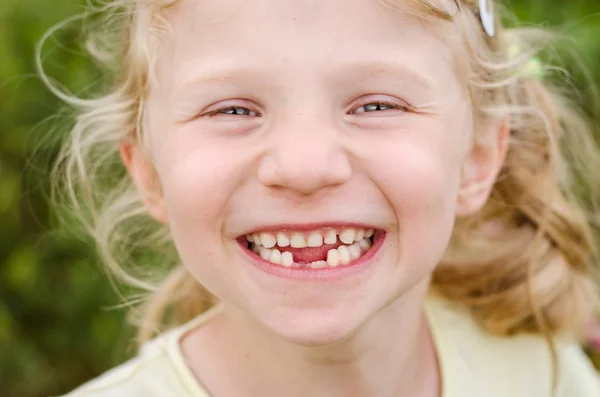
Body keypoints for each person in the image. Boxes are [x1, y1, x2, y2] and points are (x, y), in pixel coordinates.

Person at [43, 0, 600, 396]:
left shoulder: (541, 375)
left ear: (478, 159)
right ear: (151, 175)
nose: (305, 167)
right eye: (233, 110)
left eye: (376, 105)